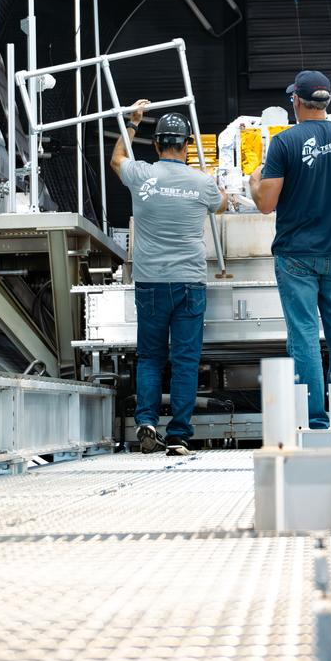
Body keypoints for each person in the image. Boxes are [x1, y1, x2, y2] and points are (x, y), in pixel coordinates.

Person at [249, 69, 331, 430]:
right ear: (327, 101)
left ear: (297, 101)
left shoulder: (285, 143)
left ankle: (314, 424)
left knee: (303, 337)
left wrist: (255, 181)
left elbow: (266, 204)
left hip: (296, 258)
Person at [110, 100, 226, 453]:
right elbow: (222, 203)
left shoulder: (142, 175)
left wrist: (132, 123)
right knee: (186, 359)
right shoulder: (202, 183)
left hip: (150, 281)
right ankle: (178, 435)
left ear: (157, 145)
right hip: (189, 281)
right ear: (188, 145)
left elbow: (116, 159)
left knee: (150, 357)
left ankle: (146, 421)